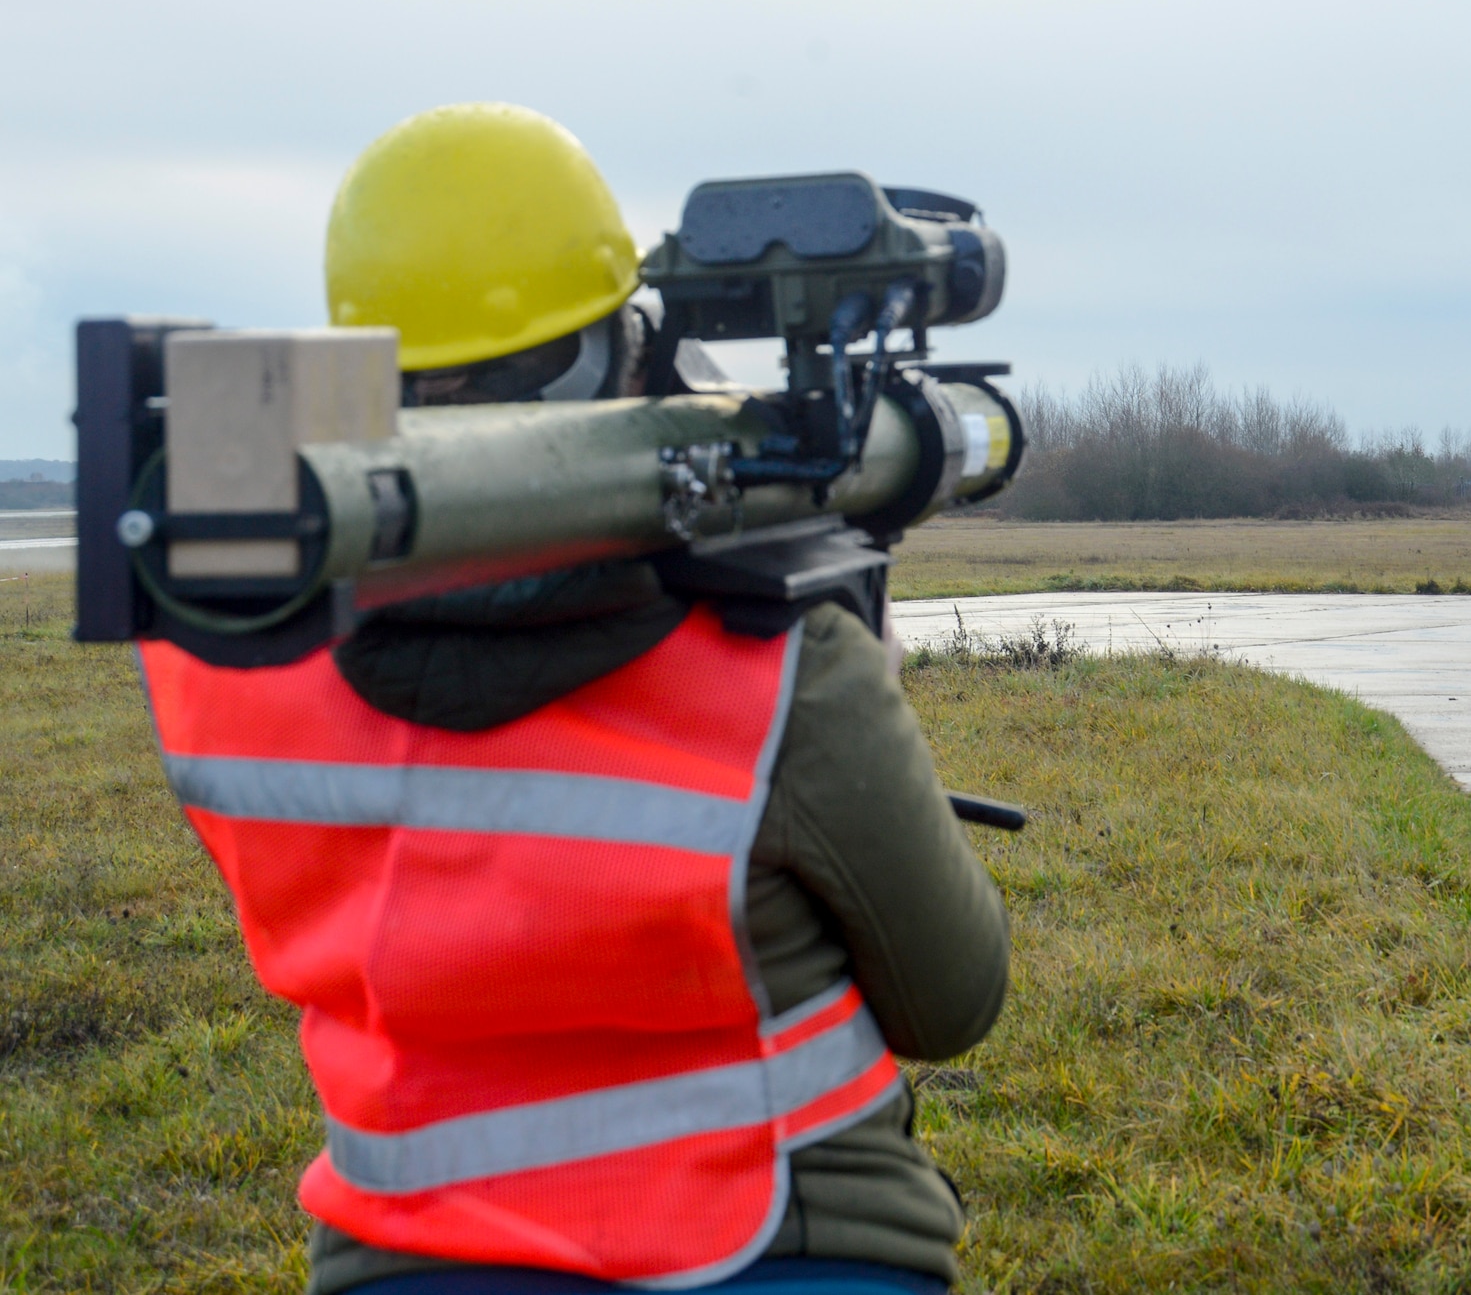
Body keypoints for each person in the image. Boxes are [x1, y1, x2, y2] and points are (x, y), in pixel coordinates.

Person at [138, 104, 1011, 1294]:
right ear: (623, 347)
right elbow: (950, 999)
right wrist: (862, 678)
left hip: (398, 1257)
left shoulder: (216, 657)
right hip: (780, 1241)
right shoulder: (775, 661)